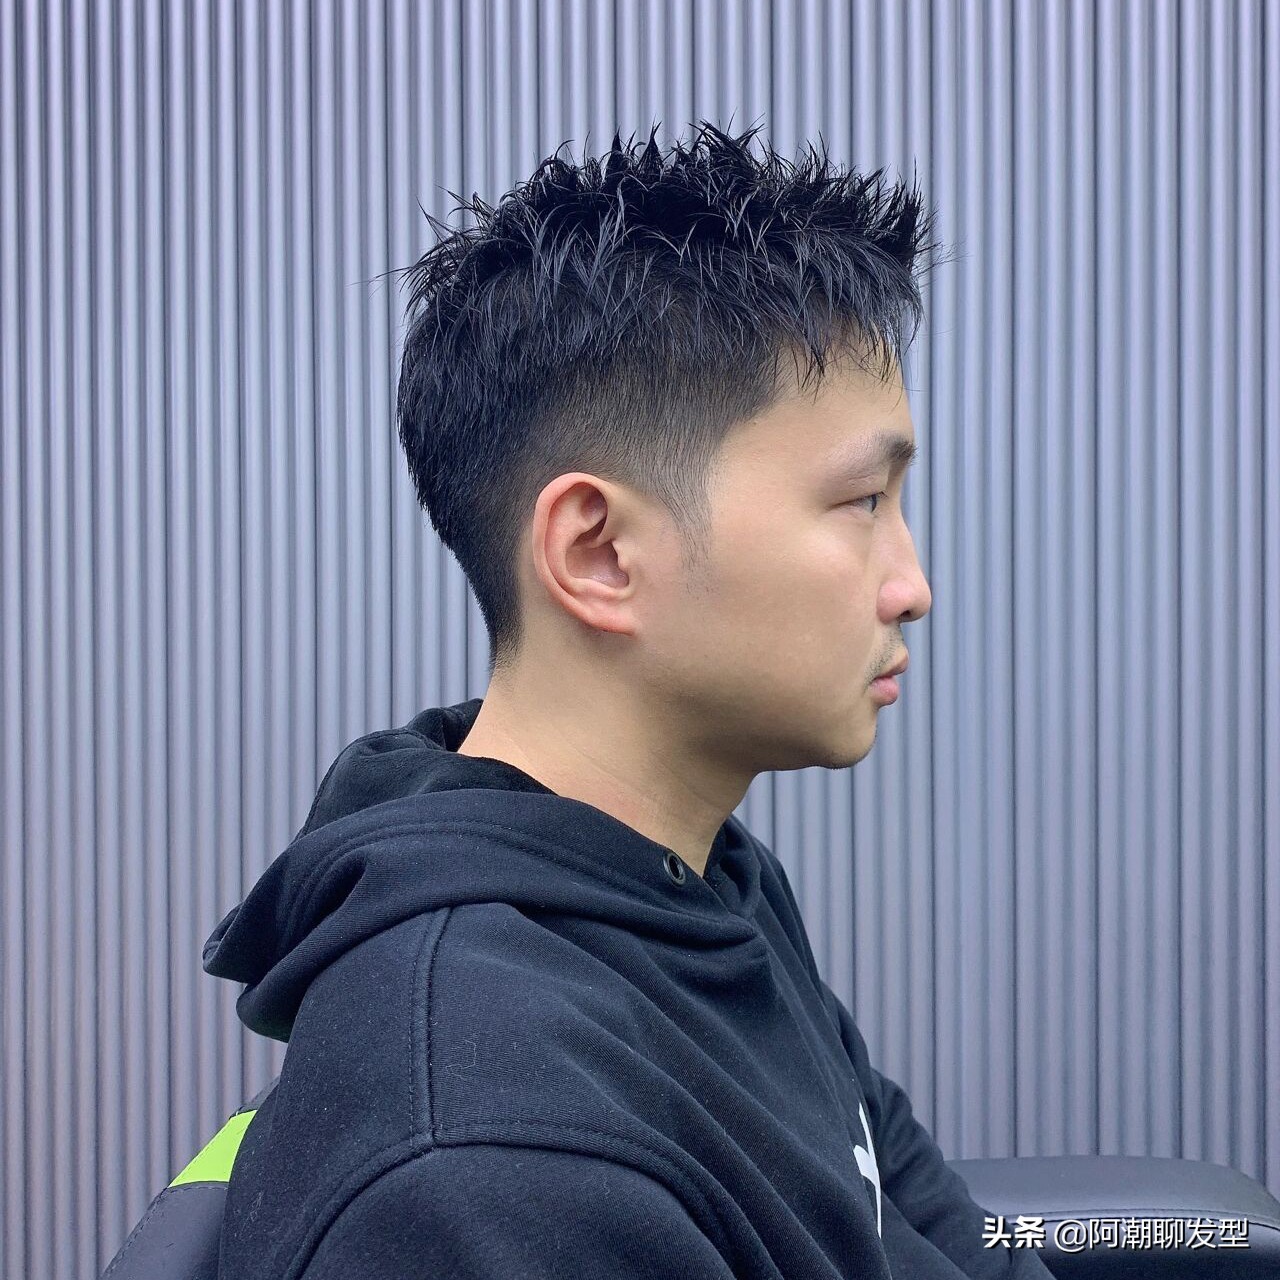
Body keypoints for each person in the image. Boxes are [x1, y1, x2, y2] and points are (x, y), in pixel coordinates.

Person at [204, 120, 1052, 1278]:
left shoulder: (695, 883)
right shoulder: (493, 1166)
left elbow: (932, 1235)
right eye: (861, 500)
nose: (911, 585)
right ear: (597, 551)